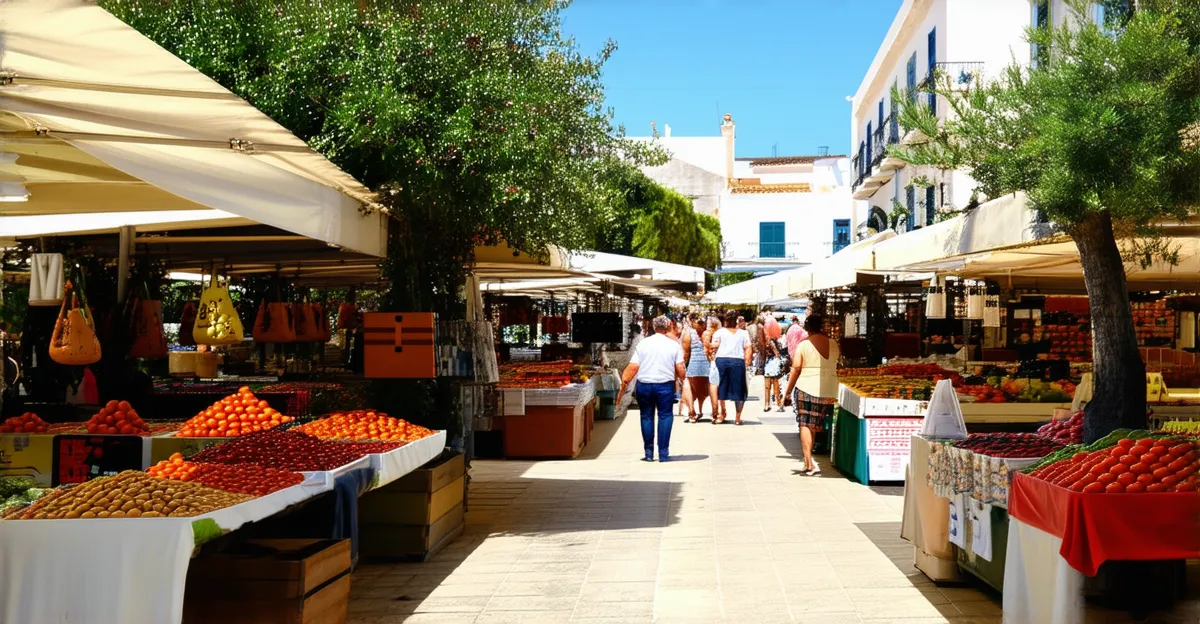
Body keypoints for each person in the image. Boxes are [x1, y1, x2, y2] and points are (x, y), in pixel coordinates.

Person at [619, 315, 686, 462]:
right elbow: (680, 367)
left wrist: (623, 385)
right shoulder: (674, 345)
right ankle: (663, 453)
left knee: (646, 416)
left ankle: (648, 453)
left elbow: (633, 366)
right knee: (665, 416)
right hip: (665, 386)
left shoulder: (643, 344)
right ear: (668, 327)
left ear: (654, 327)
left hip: (644, 385)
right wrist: (683, 381)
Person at [784, 314, 840, 476]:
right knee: (815, 425)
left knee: (805, 423)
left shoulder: (804, 345)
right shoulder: (833, 343)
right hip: (829, 388)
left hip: (807, 387)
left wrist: (787, 392)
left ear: (807, 328)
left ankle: (808, 461)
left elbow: (795, 369)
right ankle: (808, 461)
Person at [710, 311, 752, 425]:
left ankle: (722, 413)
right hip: (738, 361)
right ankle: (738, 418)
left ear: (725, 320)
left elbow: (713, 348)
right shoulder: (744, 333)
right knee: (739, 389)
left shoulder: (719, 332)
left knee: (721, 387)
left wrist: (712, 360)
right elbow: (748, 349)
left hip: (721, 360)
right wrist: (747, 364)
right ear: (737, 320)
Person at [681, 314, 711, 422]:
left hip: (693, 365)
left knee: (690, 387)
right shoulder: (708, 334)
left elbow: (686, 353)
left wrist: (683, 366)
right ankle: (698, 409)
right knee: (703, 390)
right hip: (706, 365)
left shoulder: (688, 334)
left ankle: (691, 409)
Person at [762, 329, 787, 412]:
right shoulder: (768, 343)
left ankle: (769, 404)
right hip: (772, 365)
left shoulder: (770, 342)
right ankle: (777, 403)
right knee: (774, 385)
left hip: (771, 364)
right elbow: (777, 354)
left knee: (769, 386)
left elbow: (776, 353)